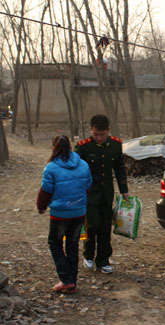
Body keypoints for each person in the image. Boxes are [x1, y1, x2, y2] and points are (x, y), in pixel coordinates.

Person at [37, 135, 92, 293]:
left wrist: (41, 207)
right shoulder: (83, 164)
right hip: (79, 213)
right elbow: (88, 187)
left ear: (54, 147)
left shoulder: (51, 168)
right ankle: (72, 282)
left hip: (60, 215)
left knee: (55, 243)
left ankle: (65, 279)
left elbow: (45, 192)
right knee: (72, 245)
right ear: (70, 146)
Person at [74, 114, 129, 274]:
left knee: (105, 226)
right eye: (96, 134)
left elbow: (119, 169)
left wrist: (124, 190)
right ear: (91, 131)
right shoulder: (83, 147)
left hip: (106, 192)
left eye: (102, 134)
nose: (99, 138)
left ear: (108, 131)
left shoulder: (115, 145)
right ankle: (88, 255)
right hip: (88, 193)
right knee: (93, 223)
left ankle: (103, 260)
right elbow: (75, 170)